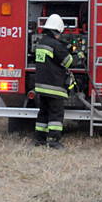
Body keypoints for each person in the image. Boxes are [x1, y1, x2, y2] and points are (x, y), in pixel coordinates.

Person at [33, 14, 76, 149]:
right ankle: (53, 141)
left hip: (41, 85)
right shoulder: (56, 45)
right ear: (57, 30)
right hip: (54, 86)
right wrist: (77, 55)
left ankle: (39, 140)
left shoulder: (41, 43)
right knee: (55, 114)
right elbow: (68, 62)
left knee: (43, 112)